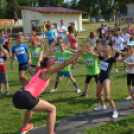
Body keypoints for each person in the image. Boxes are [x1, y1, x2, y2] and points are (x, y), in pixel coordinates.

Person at [12, 48, 83, 134]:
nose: (54, 66)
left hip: (17, 96)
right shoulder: (47, 72)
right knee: (52, 109)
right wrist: (76, 56)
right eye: (53, 64)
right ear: (49, 65)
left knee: (30, 107)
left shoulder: (38, 68)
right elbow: (64, 64)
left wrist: (42, 50)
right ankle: (51, 133)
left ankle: (24, 127)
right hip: (26, 96)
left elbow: (39, 59)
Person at [86, 45, 128, 118]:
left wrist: (126, 56)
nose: (103, 53)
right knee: (98, 94)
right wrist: (87, 51)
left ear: (109, 52)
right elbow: (94, 54)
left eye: (104, 52)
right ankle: (102, 105)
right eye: (102, 51)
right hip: (100, 78)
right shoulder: (102, 58)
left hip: (106, 79)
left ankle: (115, 111)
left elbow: (120, 60)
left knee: (107, 97)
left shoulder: (111, 59)